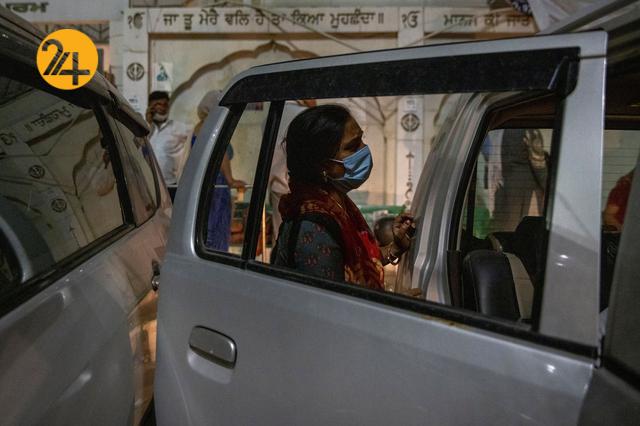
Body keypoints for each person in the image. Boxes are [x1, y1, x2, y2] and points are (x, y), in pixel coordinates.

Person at [271, 105, 415, 290]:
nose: (364, 149)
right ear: (323, 165)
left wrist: (394, 248)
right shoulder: (314, 226)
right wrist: (395, 303)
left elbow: (355, 259)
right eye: (352, 147)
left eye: (361, 139)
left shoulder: (336, 205)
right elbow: (329, 301)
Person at [192, 90, 246, 250]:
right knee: (214, 229)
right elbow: (220, 153)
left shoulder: (200, 127)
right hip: (216, 185)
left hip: (206, 183)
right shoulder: (212, 127)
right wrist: (231, 179)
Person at [269, 99, 316, 240]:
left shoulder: (271, 116)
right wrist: (314, 110)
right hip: (301, 186)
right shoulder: (304, 115)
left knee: (281, 234)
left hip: (277, 185)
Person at [146, 91, 192, 201]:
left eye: (165, 105)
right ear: (150, 107)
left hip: (171, 186)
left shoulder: (179, 128)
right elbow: (137, 146)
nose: (162, 108)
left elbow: (197, 133)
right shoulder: (144, 129)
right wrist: (148, 123)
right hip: (149, 186)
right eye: (157, 105)